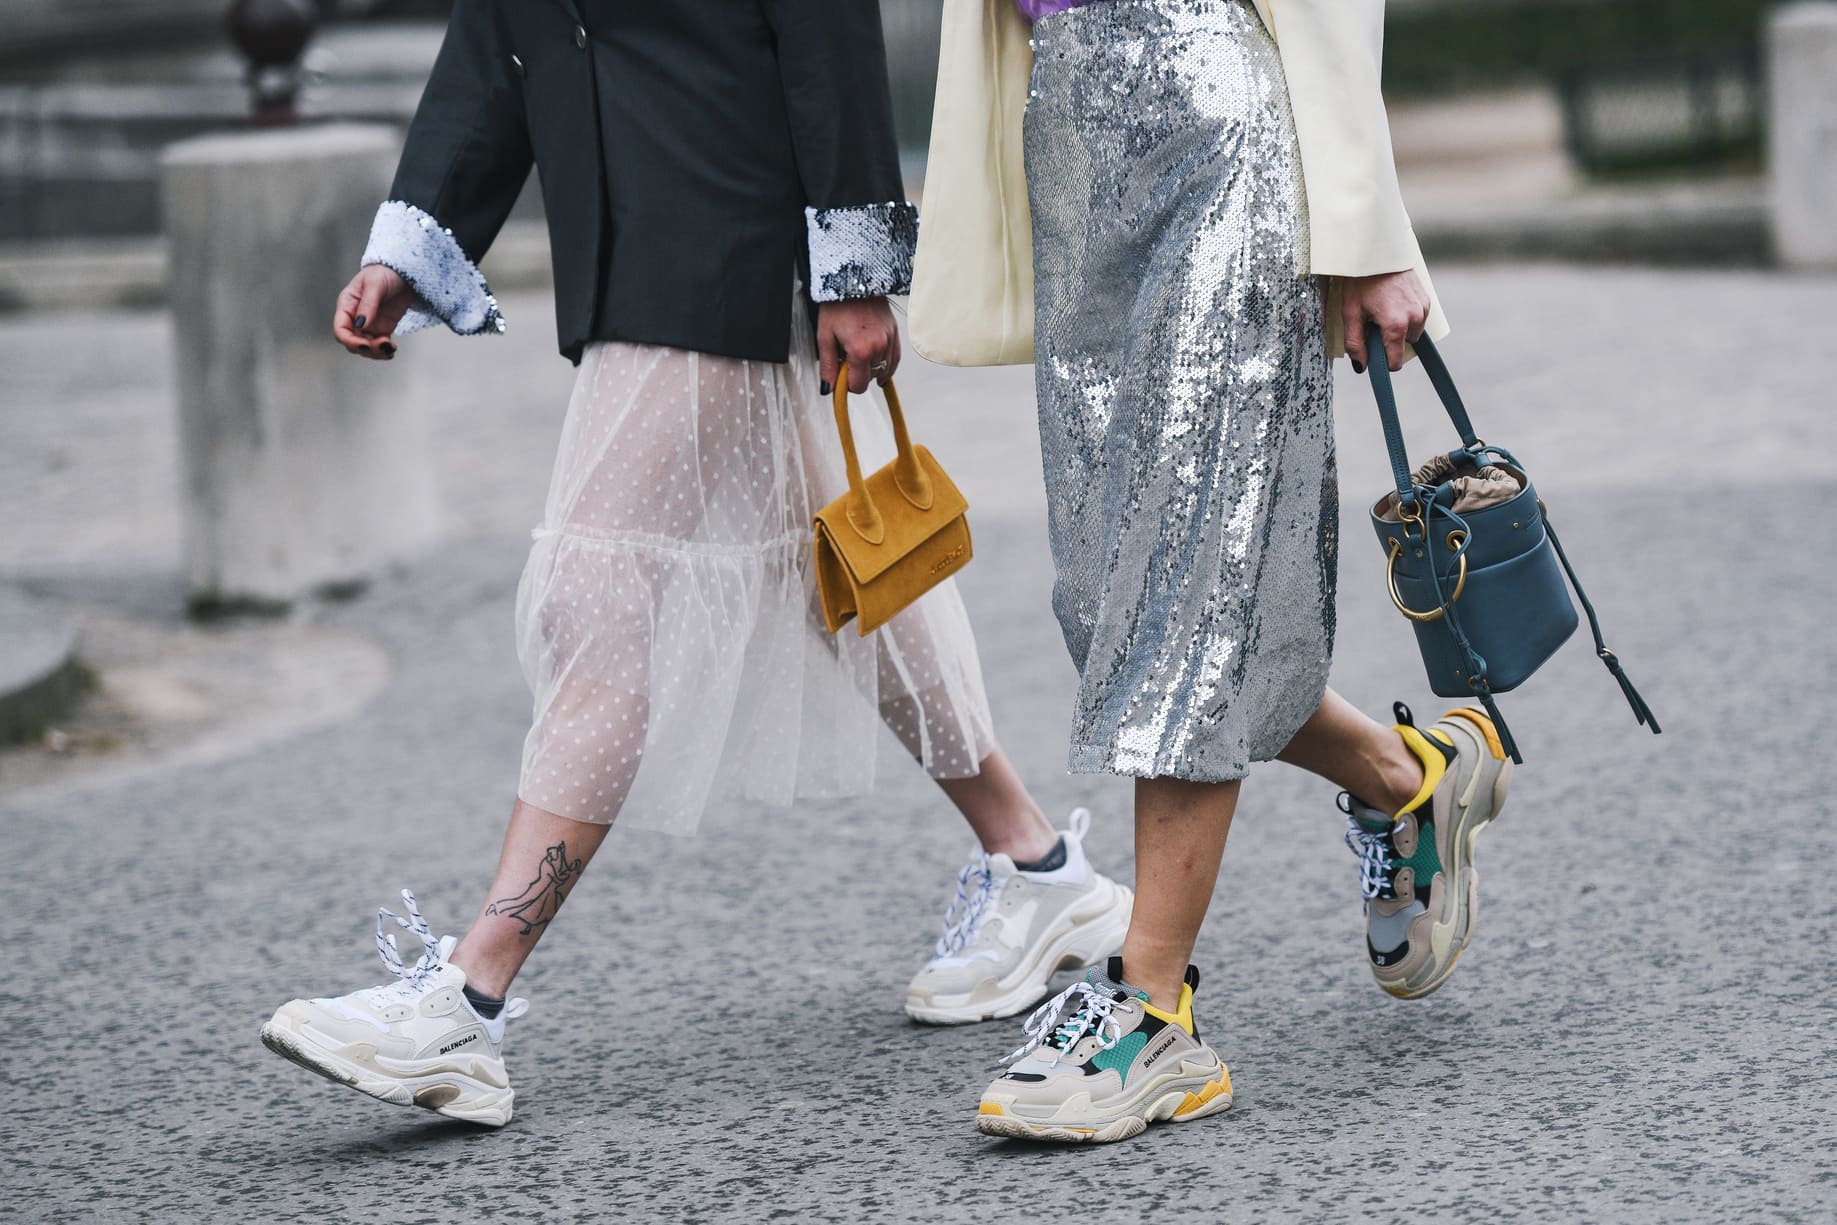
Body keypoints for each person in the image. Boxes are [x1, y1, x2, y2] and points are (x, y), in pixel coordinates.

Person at [259, 0, 1135, 1129]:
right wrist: (415, 242)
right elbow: (496, 39)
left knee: (596, 587)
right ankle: (1040, 866)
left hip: (725, 231)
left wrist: (853, 267)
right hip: (625, 244)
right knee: (849, 574)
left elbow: (825, 29)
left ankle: (466, 1000)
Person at [910, 0, 1515, 1143]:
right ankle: (1409, 780)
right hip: (1073, 130)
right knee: (1114, 598)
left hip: (1215, 124)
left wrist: (1367, 232)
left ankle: (1151, 1012)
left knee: (1187, 575)